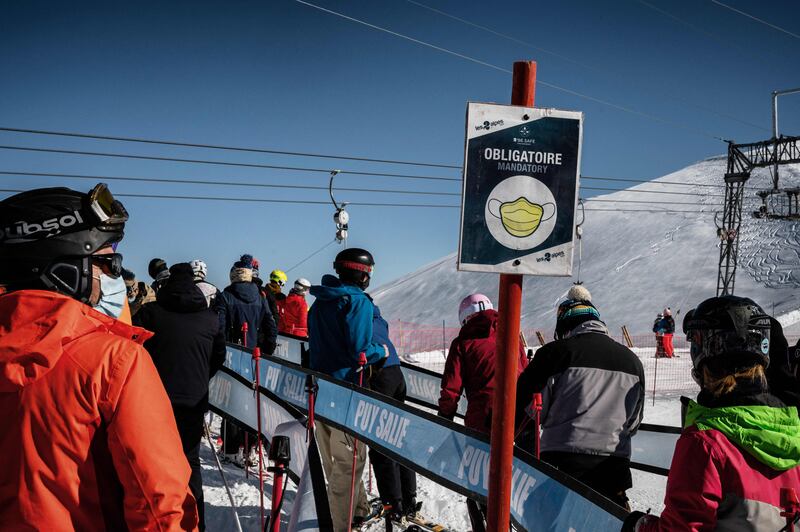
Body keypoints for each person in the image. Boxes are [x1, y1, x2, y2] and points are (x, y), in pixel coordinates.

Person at [0, 184, 198, 530]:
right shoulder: (114, 361)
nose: (111, 275)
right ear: (66, 267)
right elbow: (160, 505)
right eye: (106, 263)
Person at [623, 295, 800, 531]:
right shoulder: (792, 433)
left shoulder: (707, 443)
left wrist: (639, 527)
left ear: (709, 351)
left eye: (696, 341)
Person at [515, 284, 644, 509]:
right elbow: (633, 422)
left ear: (565, 324)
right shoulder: (633, 361)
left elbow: (525, 410)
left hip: (561, 466)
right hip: (613, 470)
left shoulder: (554, 353)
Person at [134, 263, 226, 531]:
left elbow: (130, 346)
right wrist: (200, 378)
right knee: (190, 461)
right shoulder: (209, 318)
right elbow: (218, 357)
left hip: (154, 399)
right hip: (193, 401)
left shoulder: (151, 313)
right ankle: (197, 523)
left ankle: (157, 521)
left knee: (152, 462)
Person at [308, 248, 389, 531]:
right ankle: (339, 524)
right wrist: (382, 350)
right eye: (369, 273)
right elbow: (360, 350)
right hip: (347, 390)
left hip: (320, 388)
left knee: (334, 457)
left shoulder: (319, 302)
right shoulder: (358, 302)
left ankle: (358, 508)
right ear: (361, 274)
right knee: (350, 460)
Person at [439, 293, 528, 531]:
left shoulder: (463, 341)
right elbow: (526, 372)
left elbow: (451, 388)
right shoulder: (511, 332)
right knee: (516, 479)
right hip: (520, 417)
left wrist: (445, 417)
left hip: (483, 420)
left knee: (478, 480)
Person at [215, 255, 278, 465]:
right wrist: (266, 350)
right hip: (255, 357)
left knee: (232, 399)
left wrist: (222, 350)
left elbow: (219, 327)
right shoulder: (260, 296)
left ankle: (231, 448)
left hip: (233, 355)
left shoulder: (225, 296)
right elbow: (271, 326)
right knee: (252, 402)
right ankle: (250, 448)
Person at [368, 303, 418, 522]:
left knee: (381, 441)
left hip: (379, 374)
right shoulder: (379, 318)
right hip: (396, 373)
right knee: (399, 436)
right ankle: (409, 500)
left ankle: (393, 503)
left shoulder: (357, 318)